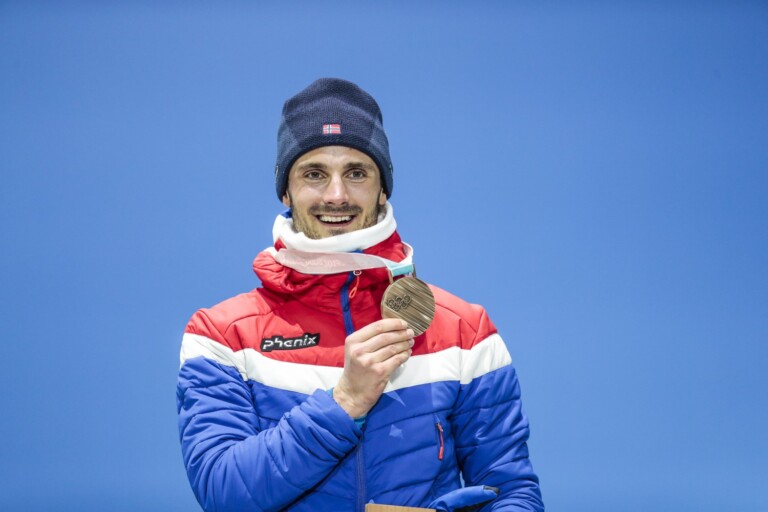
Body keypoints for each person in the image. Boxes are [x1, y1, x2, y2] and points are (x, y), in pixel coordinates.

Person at [177, 78, 544, 512]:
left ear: (383, 187)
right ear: (286, 190)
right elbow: (223, 494)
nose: (337, 196)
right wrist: (345, 401)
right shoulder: (221, 335)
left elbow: (513, 492)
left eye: (356, 173)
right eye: (314, 174)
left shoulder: (465, 331)